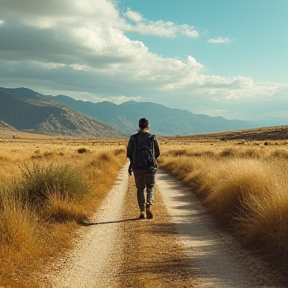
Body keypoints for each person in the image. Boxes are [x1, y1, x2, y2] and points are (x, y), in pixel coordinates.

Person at [126, 118, 160, 219]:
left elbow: (129, 153)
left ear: (139, 126)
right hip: (150, 168)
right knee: (150, 187)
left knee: (140, 189)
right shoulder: (152, 137)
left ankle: (142, 211)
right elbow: (157, 153)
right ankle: (148, 205)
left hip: (137, 168)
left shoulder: (133, 138)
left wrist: (131, 165)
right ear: (147, 126)